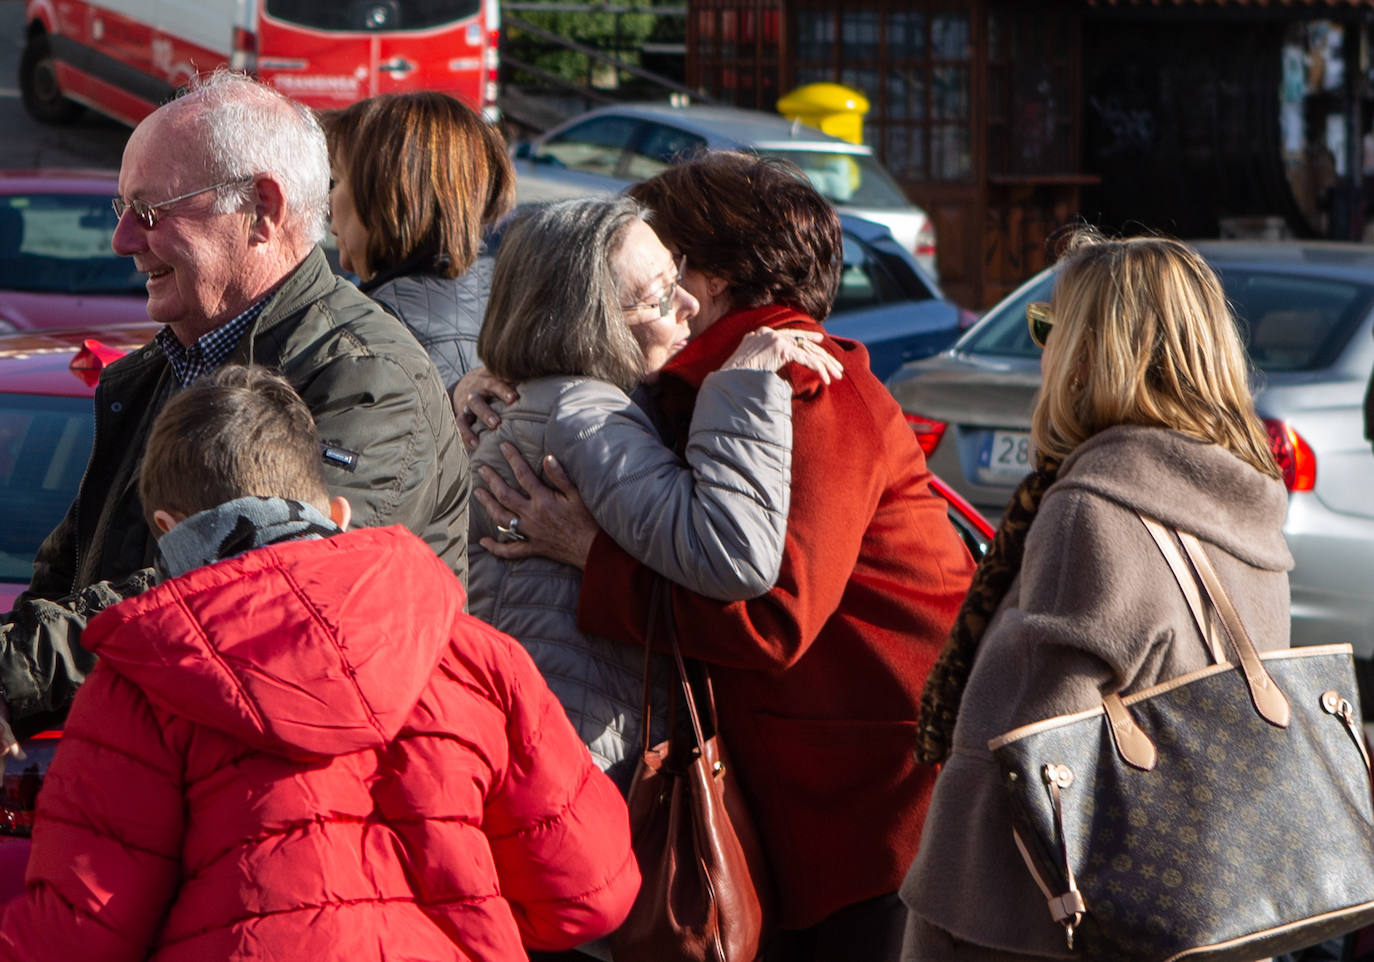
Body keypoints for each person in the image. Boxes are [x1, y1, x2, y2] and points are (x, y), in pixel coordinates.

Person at [468, 152, 976, 961]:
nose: (653, 287)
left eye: (662, 266)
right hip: (808, 778)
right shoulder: (696, 381)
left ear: (705, 277)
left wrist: (589, 554)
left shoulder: (796, 381)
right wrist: (509, 375)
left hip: (866, 794)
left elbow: (771, 614)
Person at [0, 365, 638, 962]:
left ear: (170, 532)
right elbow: (590, 893)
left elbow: (78, 936)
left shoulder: (142, 683)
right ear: (336, 514)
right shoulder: (477, 658)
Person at [0, 70, 468, 747]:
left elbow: (259, 594)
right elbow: (68, 577)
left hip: (307, 814)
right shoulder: (155, 373)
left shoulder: (364, 379)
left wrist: (19, 673)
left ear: (263, 209)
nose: (123, 240)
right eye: (121, 210)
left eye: (151, 211)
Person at [901, 231, 1292, 960]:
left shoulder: (1094, 508)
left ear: (1090, 351)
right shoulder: (1241, 496)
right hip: (1206, 908)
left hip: (1038, 928)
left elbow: (1037, 753)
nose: (1040, 349)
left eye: (1048, 327)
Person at [467, 196, 841, 791]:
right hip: (573, 770)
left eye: (679, 274)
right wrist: (745, 384)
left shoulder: (569, 402)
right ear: (590, 319)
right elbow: (735, 552)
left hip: (554, 748)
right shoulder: (585, 416)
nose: (690, 305)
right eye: (661, 296)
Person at [322, 91, 514, 394]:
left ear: (389, 197)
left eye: (337, 180)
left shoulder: (373, 339)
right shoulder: (504, 300)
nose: (328, 203)